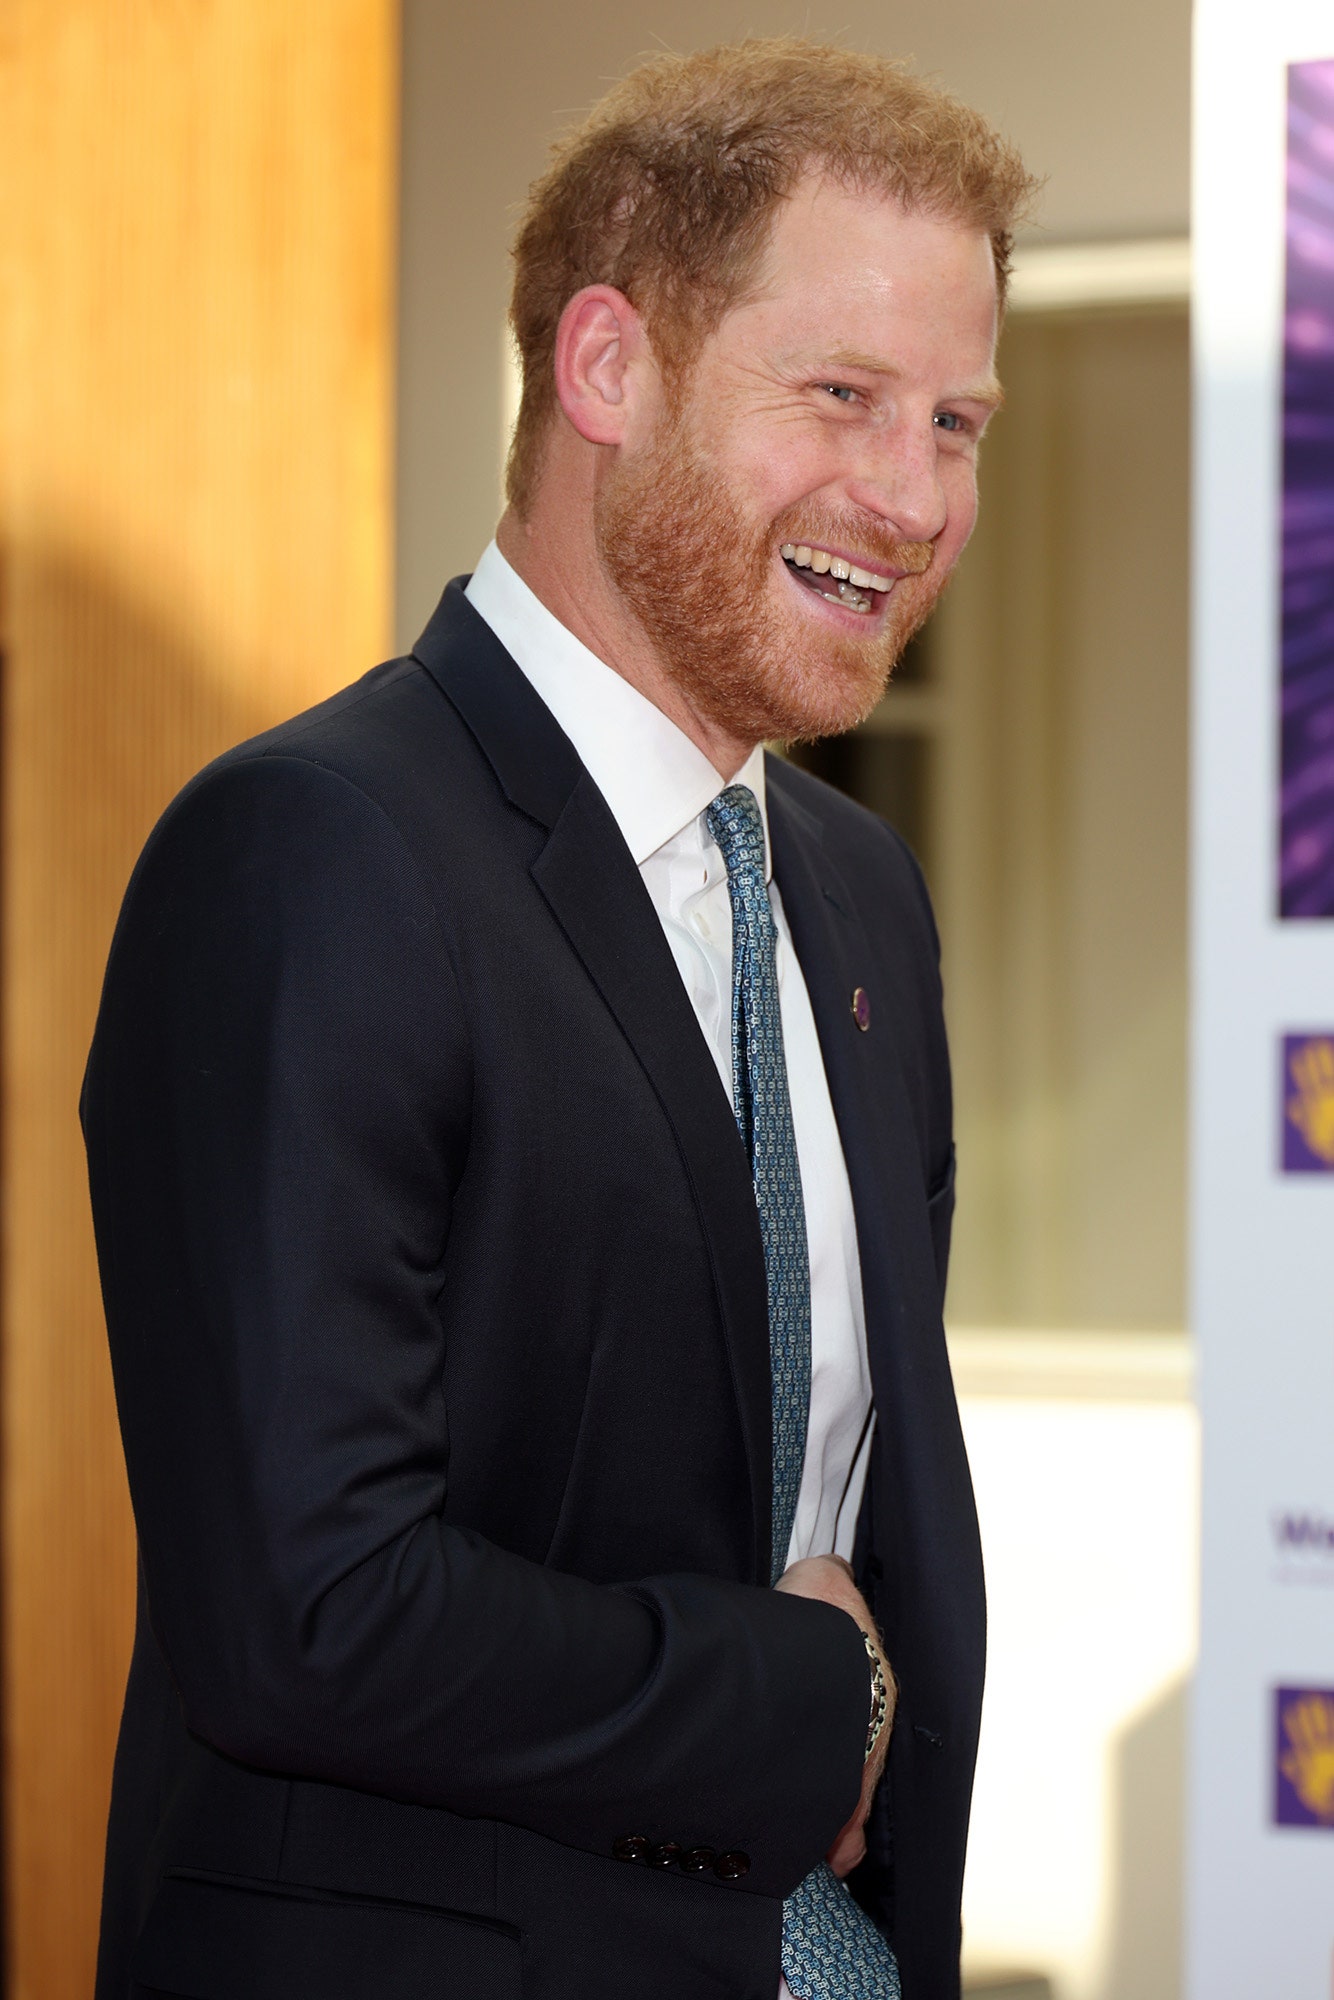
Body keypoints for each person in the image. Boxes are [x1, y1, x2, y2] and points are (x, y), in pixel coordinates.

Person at [83, 38, 1034, 2000]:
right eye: (841, 395)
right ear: (603, 368)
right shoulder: (310, 850)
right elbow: (309, 1612)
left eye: (955, 420)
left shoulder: (860, 893)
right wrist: (803, 1695)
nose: (915, 493)